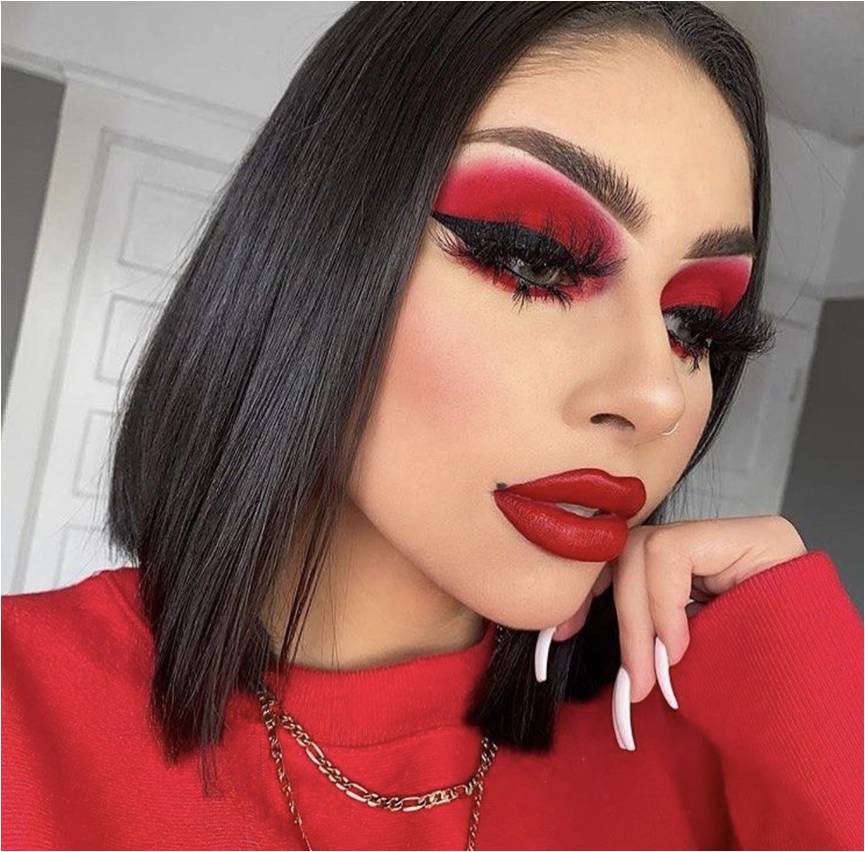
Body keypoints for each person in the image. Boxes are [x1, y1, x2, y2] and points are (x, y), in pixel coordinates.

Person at [3, 3, 862, 850]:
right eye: (532, 259)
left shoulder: (735, 751)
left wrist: (816, 698)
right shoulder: (23, 725)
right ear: (314, 253)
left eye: (693, 325)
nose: (655, 395)